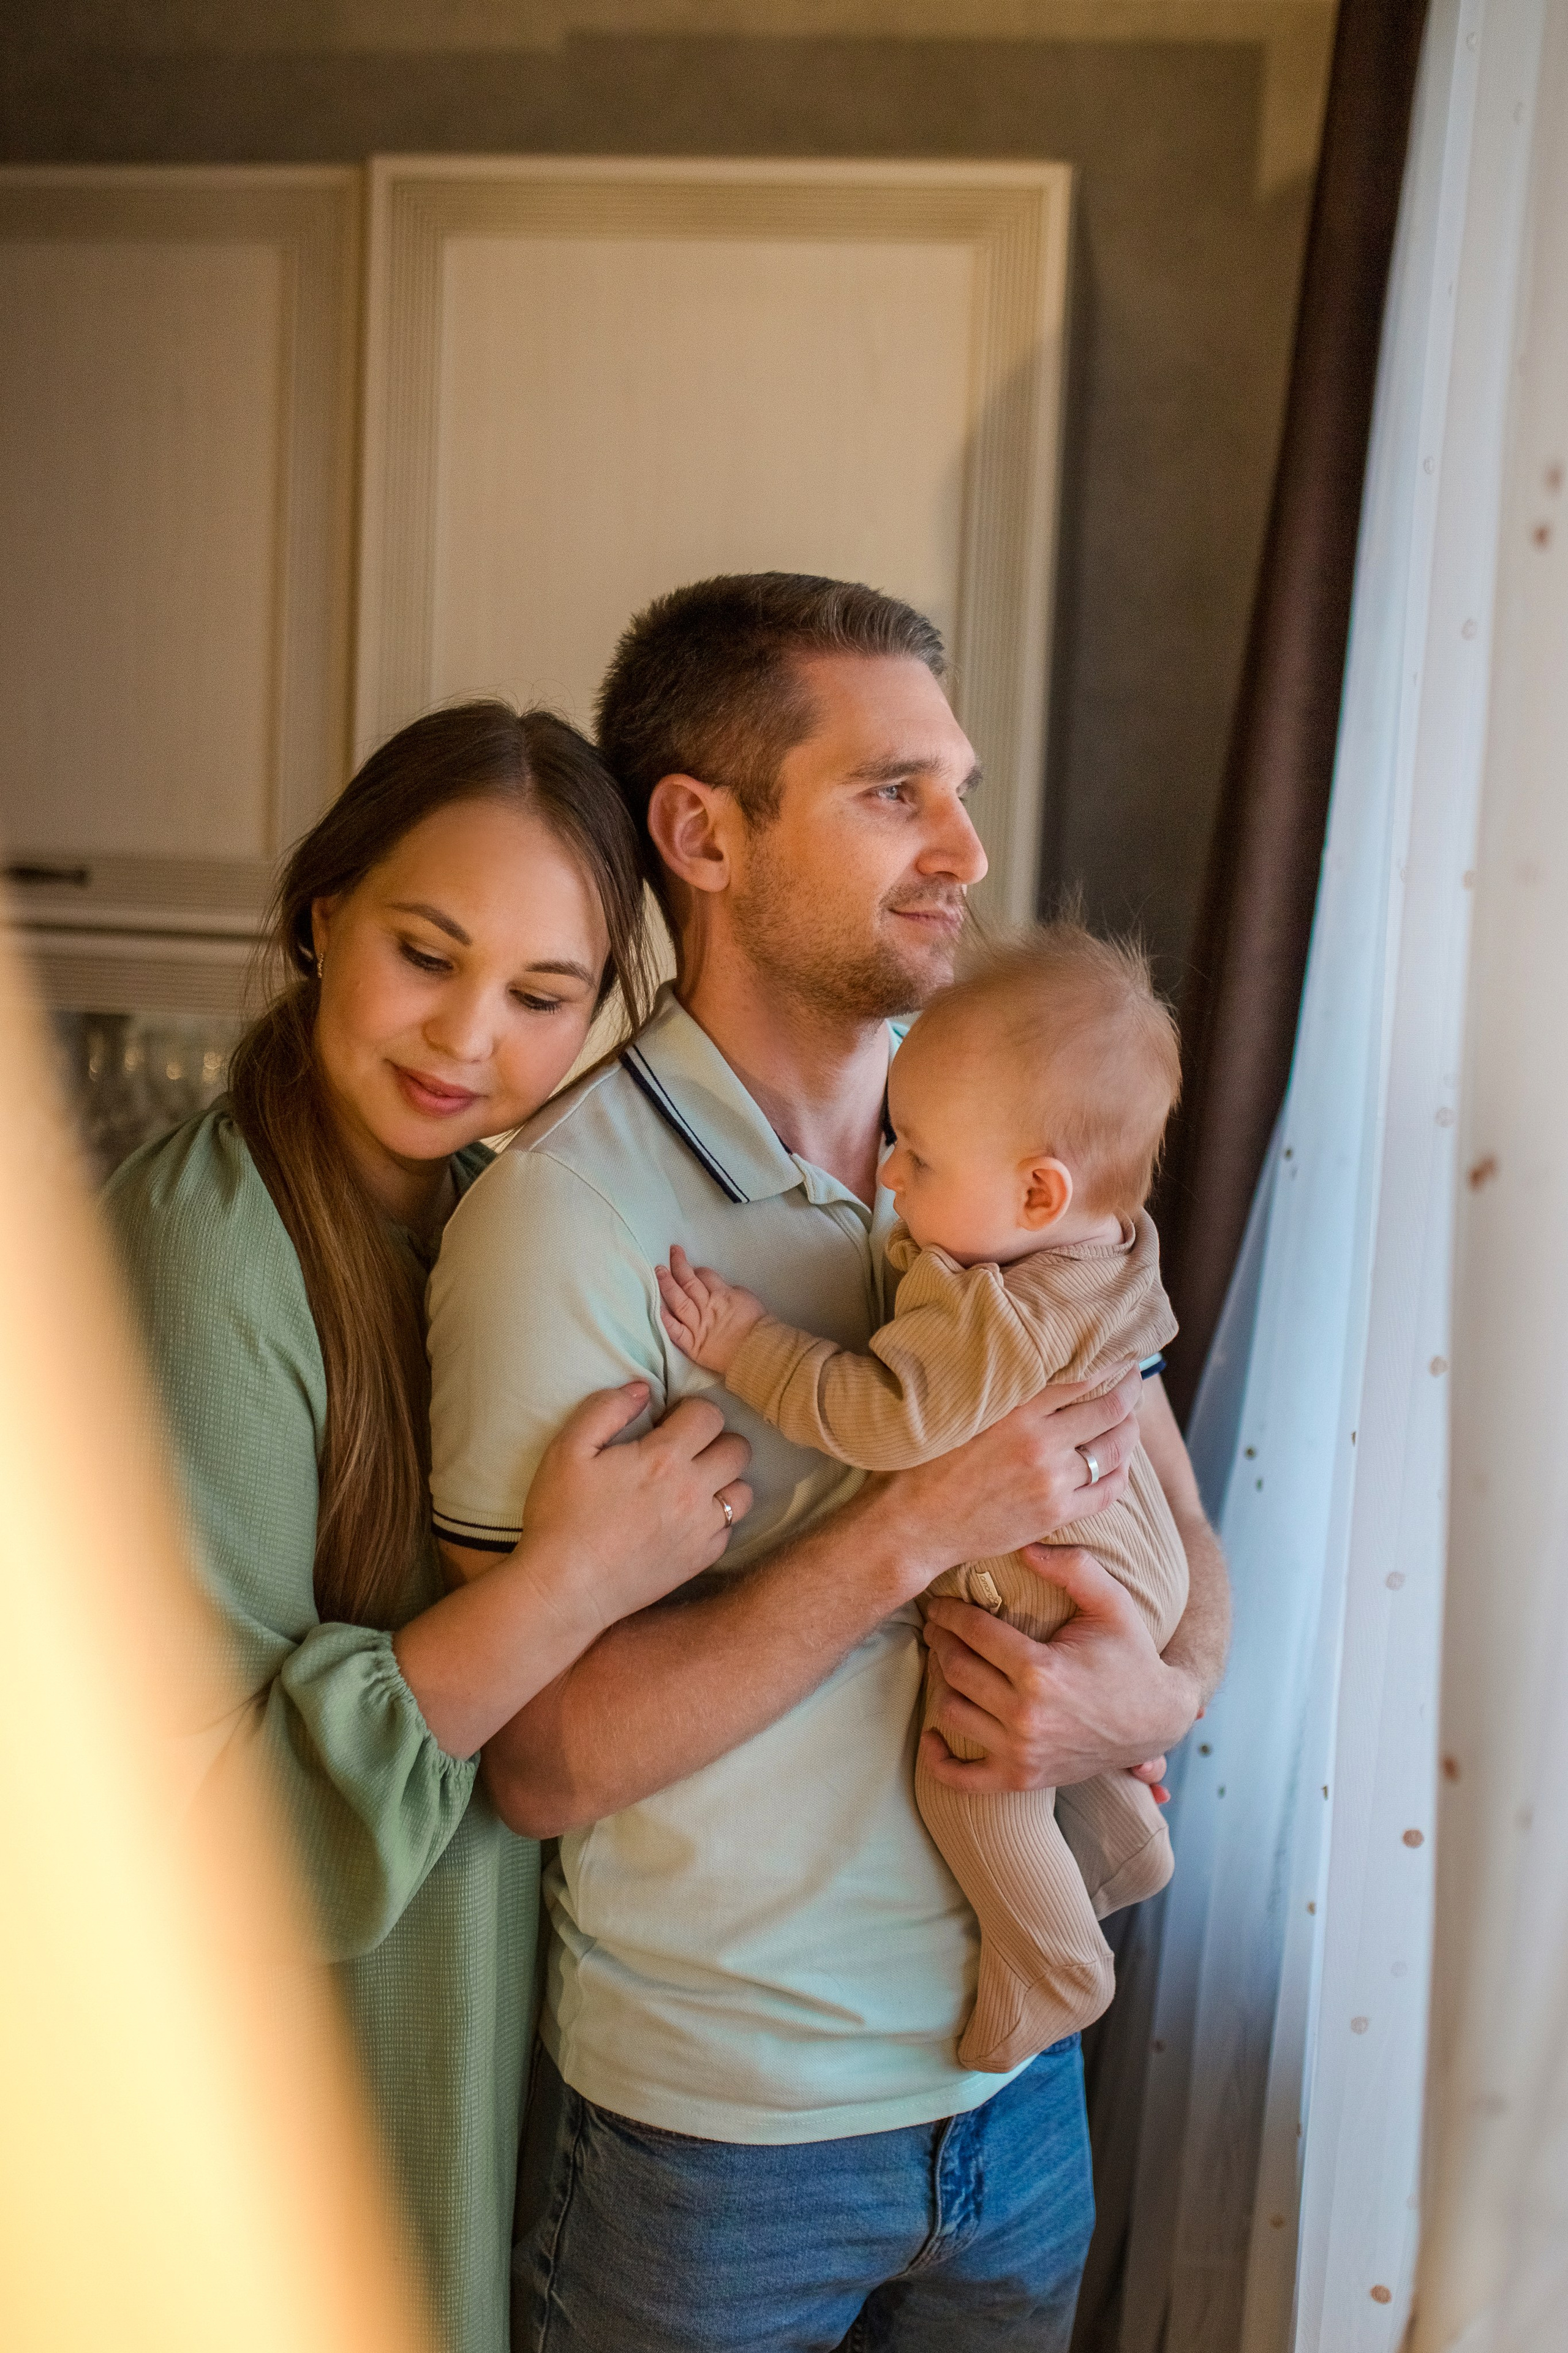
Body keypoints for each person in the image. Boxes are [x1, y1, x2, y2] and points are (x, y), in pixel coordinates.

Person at [428, 576, 1231, 2352]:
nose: (963, 842)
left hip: (1018, 2105)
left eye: (955, 784)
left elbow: (1182, 1531)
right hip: (722, 2153)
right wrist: (914, 1526)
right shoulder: (563, 1221)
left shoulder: (1012, 1140)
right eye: (894, 793)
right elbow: (539, 1766)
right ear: (702, 834)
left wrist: (1145, 1708)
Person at [104, 702, 754, 2353]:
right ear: (323, 915)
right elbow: (205, 1823)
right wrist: (579, 1578)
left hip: (482, 2067)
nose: (468, 1034)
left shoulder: (503, 1228)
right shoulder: (206, 1254)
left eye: (543, 996)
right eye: (426, 951)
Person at [655, 918, 1188, 2080]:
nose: (891, 1176)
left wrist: (750, 1347)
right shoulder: (1112, 1244)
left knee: (970, 1778)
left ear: (1039, 1189)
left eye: (921, 1158)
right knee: (1040, 1735)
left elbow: (876, 1414)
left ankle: (1056, 1965)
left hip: (1045, 1568)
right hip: (1131, 1543)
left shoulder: (993, 1320)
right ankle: (1122, 1831)